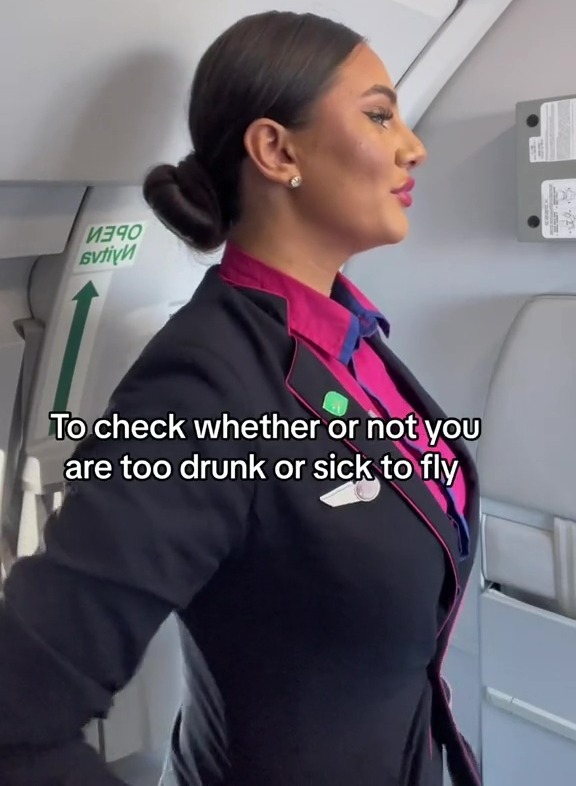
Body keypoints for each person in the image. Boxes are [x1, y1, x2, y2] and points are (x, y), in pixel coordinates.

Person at [0, 10, 480, 786]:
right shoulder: (200, 388)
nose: (412, 146)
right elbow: (16, 722)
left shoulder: (353, 341)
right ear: (276, 149)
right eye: (379, 115)